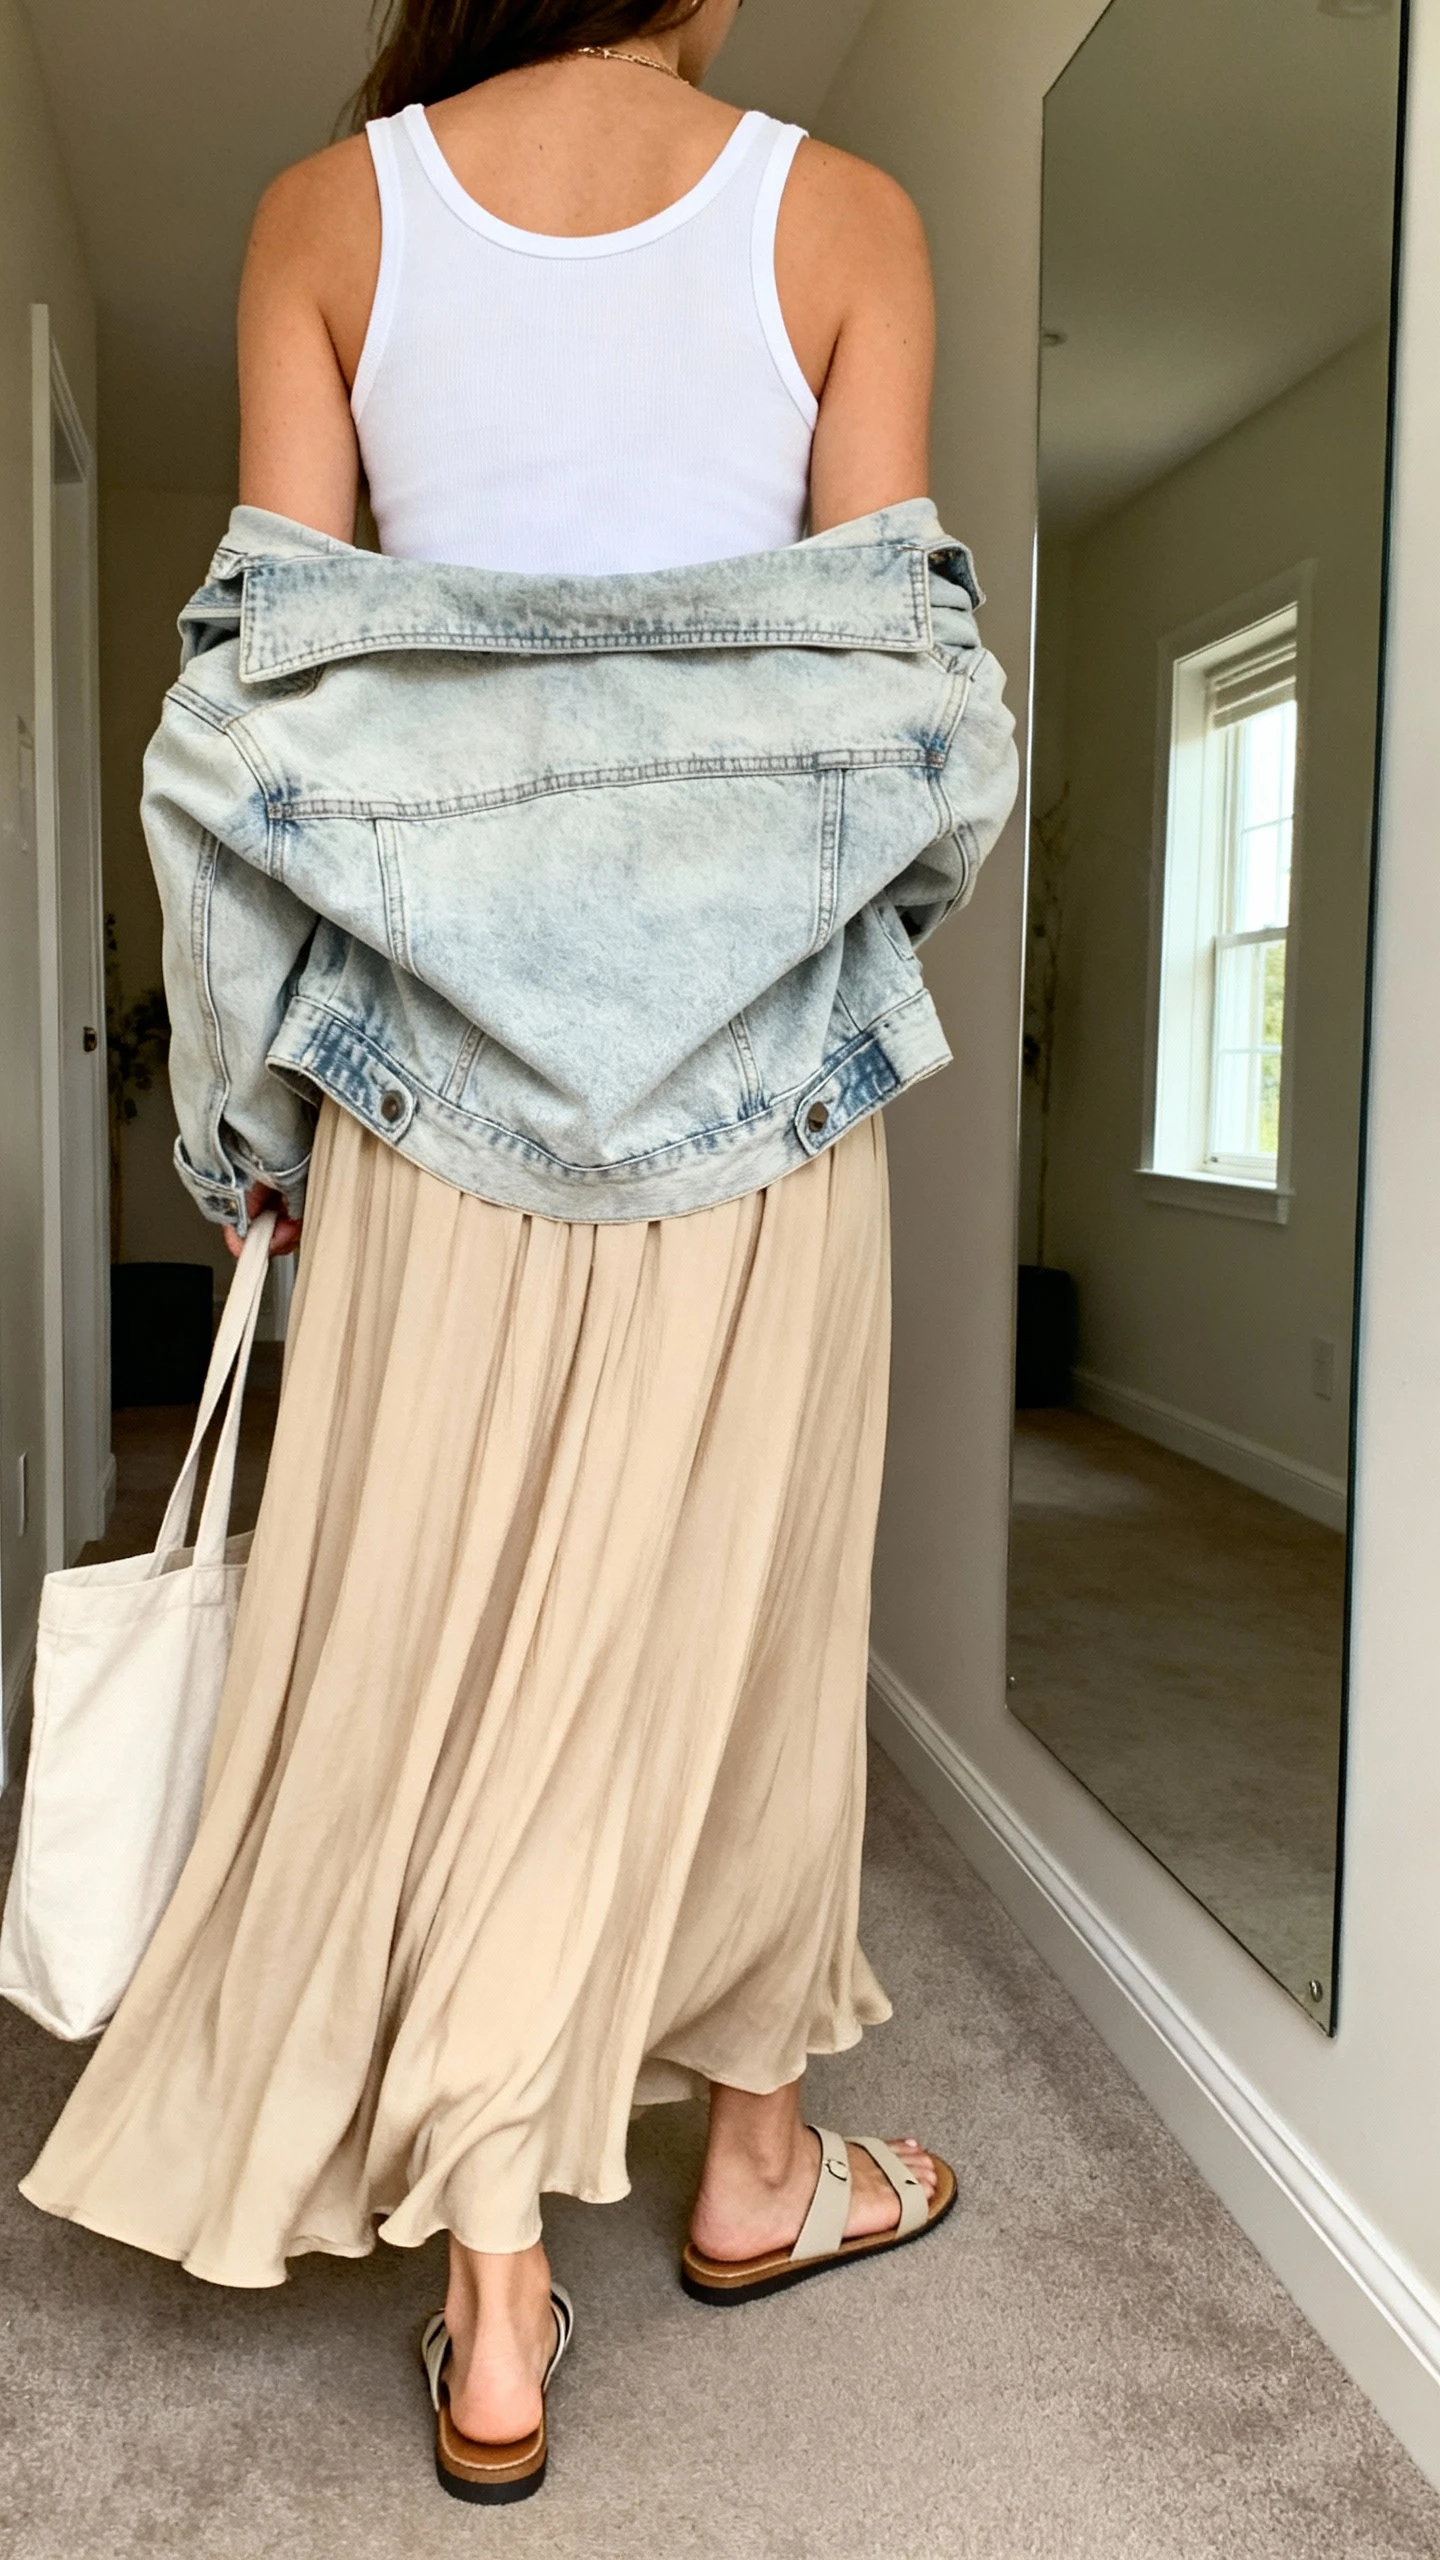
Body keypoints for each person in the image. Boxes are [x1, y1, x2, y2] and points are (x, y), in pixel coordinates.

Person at [22, 0, 997, 2504]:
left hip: (425, 1108)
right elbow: (916, 725)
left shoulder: (331, 218)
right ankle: (758, 2162)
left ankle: (489, 2305)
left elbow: (248, 744)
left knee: (446, 1639)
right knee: (742, 1625)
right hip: (769, 1108)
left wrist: (249, 1125)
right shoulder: (848, 217)